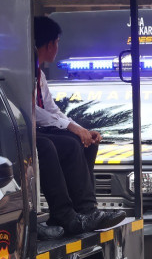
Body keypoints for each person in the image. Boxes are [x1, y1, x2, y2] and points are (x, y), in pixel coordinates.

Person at [34, 16, 126, 238]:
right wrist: (71, 129)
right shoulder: (25, 71)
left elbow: (52, 110)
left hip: (39, 128)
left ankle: (84, 210)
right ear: (50, 44)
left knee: (86, 144)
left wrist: (80, 129)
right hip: (25, 131)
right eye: (57, 43)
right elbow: (32, 112)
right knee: (64, 145)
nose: (57, 47)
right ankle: (69, 214)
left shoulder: (40, 74)